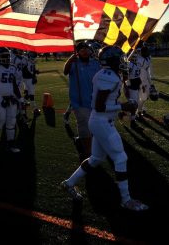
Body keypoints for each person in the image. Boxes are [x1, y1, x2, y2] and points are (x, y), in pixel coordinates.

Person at [60, 46, 148, 211]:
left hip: (101, 120)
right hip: (101, 121)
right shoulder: (109, 76)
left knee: (95, 159)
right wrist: (123, 106)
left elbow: (104, 104)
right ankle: (126, 200)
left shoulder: (108, 74)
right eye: (119, 58)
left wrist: (120, 107)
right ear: (112, 60)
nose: (123, 61)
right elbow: (100, 106)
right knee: (121, 158)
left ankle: (69, 183)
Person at [63, 41, 101, 161]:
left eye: (86, 49)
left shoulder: (96, 63)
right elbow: (65, 71)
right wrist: (70, 59)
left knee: (94, 126)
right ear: (78, 52)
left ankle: (83, 141)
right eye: (82, 49)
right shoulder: (74, 63)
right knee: (84, 126)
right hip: (79, 102)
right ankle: (87, 152)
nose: (85, 51)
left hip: (94, 100)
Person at [0, 47, 23, 153]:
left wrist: (20, 98)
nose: (6, 58)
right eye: (3, 56)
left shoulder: (12, 67)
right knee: (0, 122)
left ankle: (10, 144)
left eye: (7, 56)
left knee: (11, 121)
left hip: (11, 98)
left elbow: (14, 84)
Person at [22, 51, 41, 117]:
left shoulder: (28, 60)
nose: (34, 57)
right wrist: (33, 76)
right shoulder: (26, 60)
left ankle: (23, 107)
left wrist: (35, 72)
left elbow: (31, 69)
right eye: (33, 55)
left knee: (27, 93)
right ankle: (35, 109)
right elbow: (25, 70)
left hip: (27, 79)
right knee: (31, 95)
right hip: (28, 79)